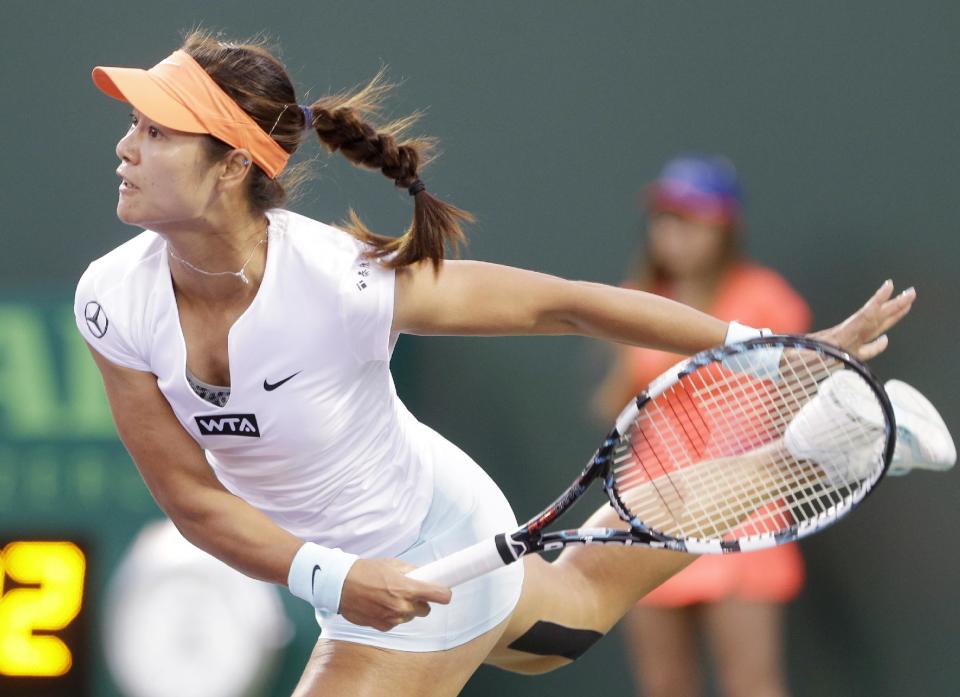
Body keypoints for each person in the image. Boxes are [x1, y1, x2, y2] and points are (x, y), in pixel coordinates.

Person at [75, 31, 915, 697]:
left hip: (427, 532)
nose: (124, 146)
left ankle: (818, 437)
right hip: (356, 567)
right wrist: (335, 575)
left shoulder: (340, 283)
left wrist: (772, 354)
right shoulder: (113, 299)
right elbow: (191, 498)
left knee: (563, 614)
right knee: (566, 623)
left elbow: (562, 302)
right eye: (131, 125)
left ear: (231, 165)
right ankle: (820, 449)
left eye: (154, 131)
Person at [593, 155, 807, 697]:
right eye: (665, 215)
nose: (673, 229)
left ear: (724, 225)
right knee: (664, 686)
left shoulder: (766, 297)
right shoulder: (639, 301)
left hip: (744, 510)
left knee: (752, 685)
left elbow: (795, 402)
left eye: (690, 216)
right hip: (655, 508)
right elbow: (622, 405)